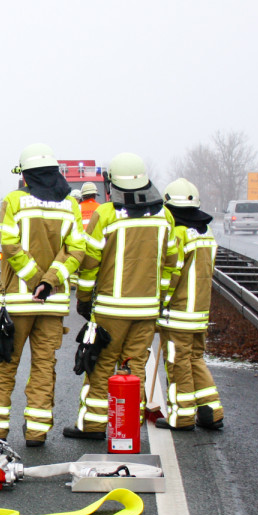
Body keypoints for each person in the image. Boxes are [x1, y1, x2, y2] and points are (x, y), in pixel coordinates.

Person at [0, 144, 85, 447]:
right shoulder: (70, 205)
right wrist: (49, 283)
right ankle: (37, 432)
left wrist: (35, 280)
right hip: (52, 305)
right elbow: (76, 250)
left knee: (4, 365)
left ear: (26, 175)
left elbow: (10, 245)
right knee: (43, 367)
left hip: (17, 303)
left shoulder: (14, 201)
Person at [68, 153, 179, 440]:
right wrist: (161, 297)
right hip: (147, 309)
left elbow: (90, 263)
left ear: (112, 183)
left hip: (110, 308)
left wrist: (83, 298)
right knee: (135, 366)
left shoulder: (106, 215)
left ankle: (93, 425)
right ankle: (129, 425)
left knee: (102, 364)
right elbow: (170, 263)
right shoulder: (165, 216)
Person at [156, 178, 223, 430]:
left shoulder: (178, 233)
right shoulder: (206, 233)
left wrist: (161, 301)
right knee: (195, 359)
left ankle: (182, 416)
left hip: (179, 313)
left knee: (178, 363)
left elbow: (171, 275)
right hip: (200, 311)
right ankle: (211, 411)